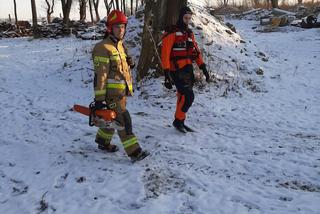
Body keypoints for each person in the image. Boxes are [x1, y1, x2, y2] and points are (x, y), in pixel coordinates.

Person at [92, 10, 148, 161]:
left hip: (121, 93)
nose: (121, 30)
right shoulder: (102, 48)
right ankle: (134, 152)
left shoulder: (120, 45)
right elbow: (100, 76)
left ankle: (103, 141)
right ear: (109, 28)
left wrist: (130, 61)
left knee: (111, 119)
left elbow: (123, 62)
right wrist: (99, 100)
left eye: (123, 26)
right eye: (117, 27)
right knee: (123, 120)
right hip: (111, 95)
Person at [161, 6, 210, 133]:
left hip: (187, 69)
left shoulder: (189, 33)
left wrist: (203, 67)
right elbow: (165, 53)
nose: (187, 20)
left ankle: (180, 121)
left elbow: (196, 52)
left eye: (189, 18)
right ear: (180, 17)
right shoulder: (172, 32)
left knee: (182, 96)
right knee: (189, 96)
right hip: (176, 70)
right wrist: (166, 74)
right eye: (185, 18)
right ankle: (178, 120)